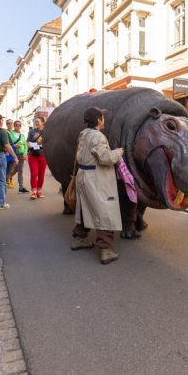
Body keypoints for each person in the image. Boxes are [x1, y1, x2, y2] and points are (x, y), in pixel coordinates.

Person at [70, 107, 124, 264]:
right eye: (102, 117)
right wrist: (118, 152)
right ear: (99, 120)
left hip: (83, 175)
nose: (104, 120)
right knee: (105, 211)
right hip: (96, 178)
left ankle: (78, 239)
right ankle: (106, 250)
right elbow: (105, 158)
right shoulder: (98, 136)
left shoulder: (83, 134)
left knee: (85, 208)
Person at [27, 116, 48, 199]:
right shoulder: (31, 131)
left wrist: (43, 145)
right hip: (32, 155)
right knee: (34, 174)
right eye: (35, 121)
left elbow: (49, 142)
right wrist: (29, 145)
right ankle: (34, 192)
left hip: (43, 156)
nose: (36, 123)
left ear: (43, 122)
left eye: (38, 121)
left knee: (41, 174)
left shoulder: (46, 132)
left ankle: (39, 191)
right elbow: (28, 141)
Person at [8, 119, 29, 193]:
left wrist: (25, 154)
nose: (18, 126)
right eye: (16, 125)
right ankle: (4, 184)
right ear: (14, 126)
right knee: (10, 169)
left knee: (20, 170)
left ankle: (21, 187)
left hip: (21, 155)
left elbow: (25, 146)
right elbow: (7, 143)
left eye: (19, 125)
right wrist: (14, 145)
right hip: (13, 154)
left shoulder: (22, 135)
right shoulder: (10, 133)